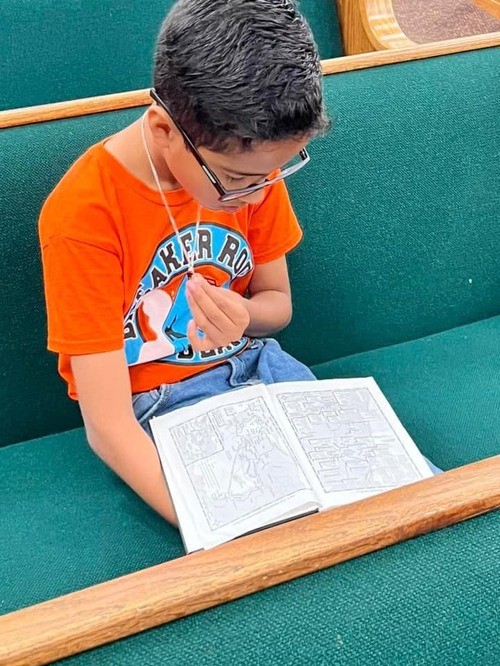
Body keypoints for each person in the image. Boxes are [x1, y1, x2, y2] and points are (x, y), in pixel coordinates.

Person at [39, 0, 331, 525]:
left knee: (400, 497)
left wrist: (245, 316)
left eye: (274, 174)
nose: (256, 193)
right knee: (282, 529)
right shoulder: (84, 214)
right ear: (162, 128)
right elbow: (107, 427)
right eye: (236, 179)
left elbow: (277, 304)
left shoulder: (254, 173)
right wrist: (209, 526)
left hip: (264, 368)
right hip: (160, 403)